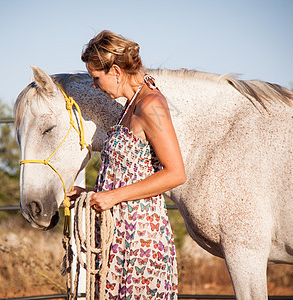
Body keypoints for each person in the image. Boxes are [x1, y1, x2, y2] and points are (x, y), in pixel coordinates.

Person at [67, 30, 186, 299]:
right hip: (118, 232)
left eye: (97, 78)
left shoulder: (152, 105)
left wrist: (113, 197)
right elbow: (129, 173)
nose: (95, 86)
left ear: (116, 71)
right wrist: (90, 195)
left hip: (139, 236)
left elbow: (176, 173)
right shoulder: (130, 107)